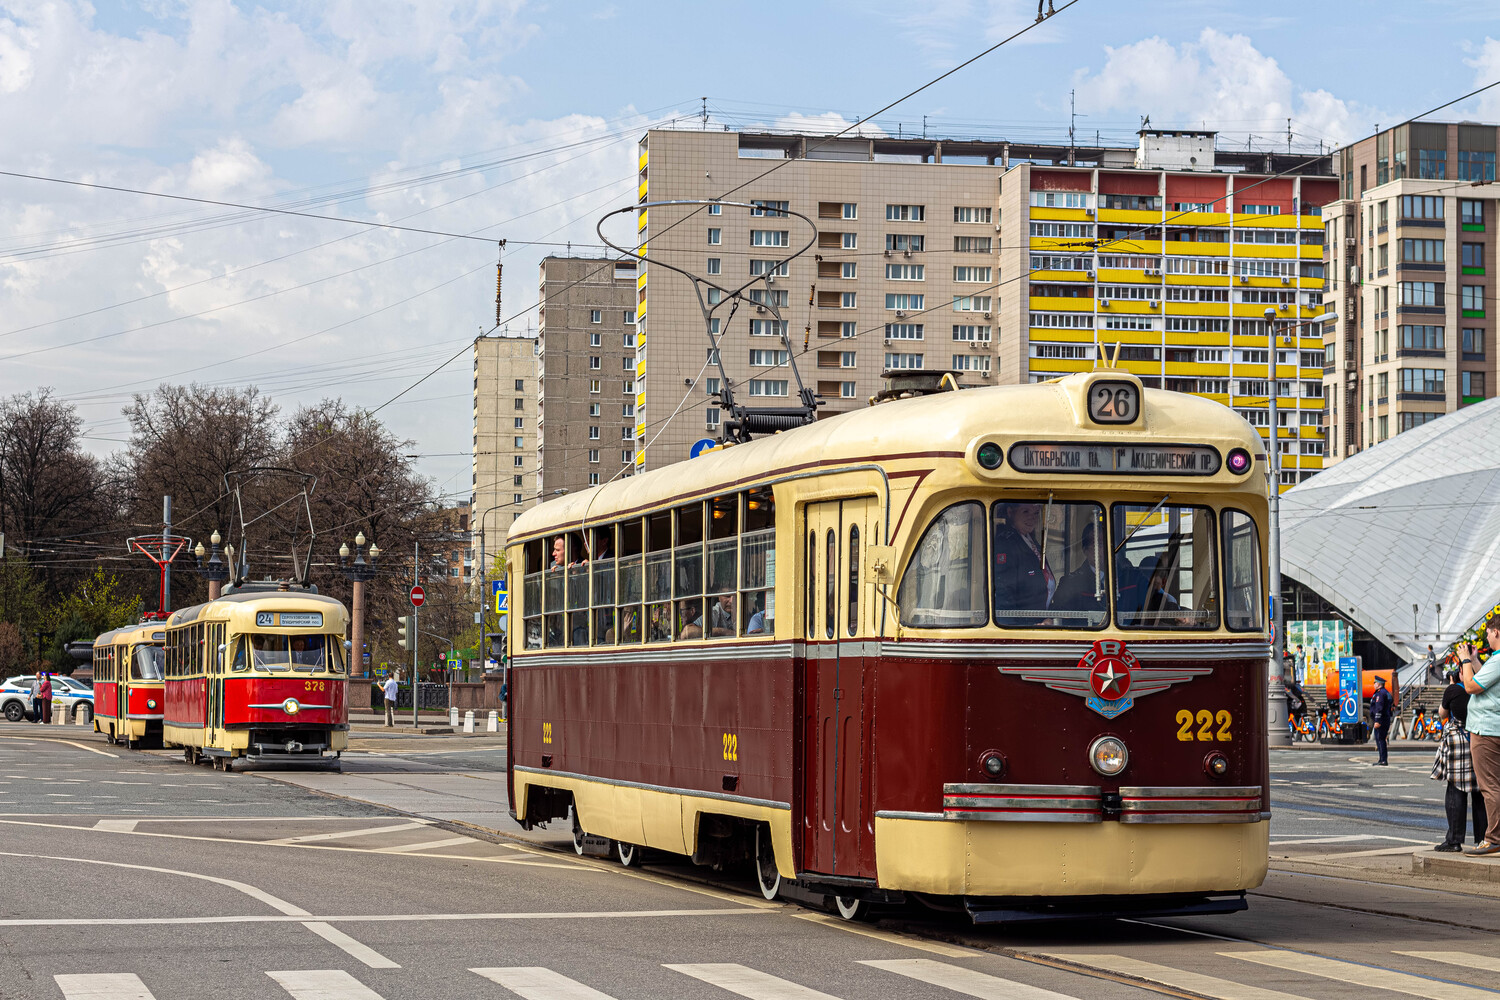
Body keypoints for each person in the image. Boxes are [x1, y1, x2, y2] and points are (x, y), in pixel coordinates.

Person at [1456, 617, 1500, 854]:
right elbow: (1487, 681)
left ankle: (1493, 838)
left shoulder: (1499, 659)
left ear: (1496, 632)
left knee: (1490, 786)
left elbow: (1472, 686)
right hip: (1495, 727)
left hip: (1486, 730)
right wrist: (1473, 659)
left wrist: (1464, 660)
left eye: (1489, 634)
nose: (1486, 638)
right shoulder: (1496, 661)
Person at [1432, 702, 1487, 851]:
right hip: (1479, 736)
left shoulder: (1454, 689)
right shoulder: (1480, 688)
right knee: (1480, 793)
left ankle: (1454, 841)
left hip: (1459, 742)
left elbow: (1442, 714)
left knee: (1455, 790)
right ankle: (1484, 839)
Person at [993, 502, 1051, 625]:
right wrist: (1014, 631)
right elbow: (1004, 593)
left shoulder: (1030, 541)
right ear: (1010, 512)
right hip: (1023, 627)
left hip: (1038, 623)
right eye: (1025, 512)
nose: (1032, 517)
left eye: (1036, 513)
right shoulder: (1006, 544)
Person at [1050, 521, 1106, 626]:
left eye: (1109, 543)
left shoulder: (1132, 578)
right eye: (1098, 544)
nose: (1105, 548)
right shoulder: (1070, 584)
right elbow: (1057, 615)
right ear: (1085, 550)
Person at [1370, 674, 1394, 766]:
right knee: (1380, 739)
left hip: (1382, 720)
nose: (1374, 684)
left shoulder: (1380, 694)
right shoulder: (1384, 692)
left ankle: (1383, 760)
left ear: (1379, 684)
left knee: (1380, 740)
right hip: (1385, 719)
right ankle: (1381, 759)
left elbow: (1379, 708)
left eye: (1375, 683)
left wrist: (1377, 721)